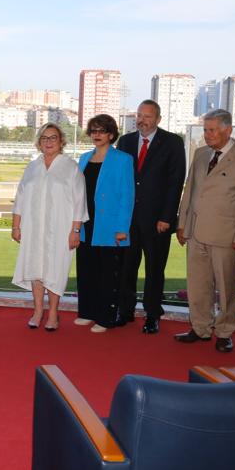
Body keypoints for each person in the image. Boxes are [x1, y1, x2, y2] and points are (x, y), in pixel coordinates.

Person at [175, 109, 235, 353]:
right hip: (195, 233)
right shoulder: (201, 154)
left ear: (228, 130)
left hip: (226, 236)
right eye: (205, 130)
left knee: (226, 288)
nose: (207, 135)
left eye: (212, 130)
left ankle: (225, 332)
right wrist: (182, 224)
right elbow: (190, 190)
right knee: (197, 286)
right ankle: (200, 328)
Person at [116, 100, 185, 334]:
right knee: (126, 268)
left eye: (147, 116)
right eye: (139, 115)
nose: (142, 120)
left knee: (154, 270)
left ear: (158, 119)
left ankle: (152, 315)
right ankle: (124, 310)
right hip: (128, 220)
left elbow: (175, 183)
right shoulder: (125, 141)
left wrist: (167, 217)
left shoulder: (173, 142)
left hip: (158, 221)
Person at [11, 123, 87, 331]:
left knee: (55, 270)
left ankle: (53, 313)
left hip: (61, 229)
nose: (48, 142)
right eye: (44, 138)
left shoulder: (70, 167)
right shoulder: (32, 167)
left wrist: (76, 230)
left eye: (53, 137)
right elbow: (20, 197)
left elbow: (80, 202)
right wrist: (16, 226)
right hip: (33, 227)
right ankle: (38, 311)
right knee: (35, 268)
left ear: (61, 141)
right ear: (39, 142)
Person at [76, 115, 134, 333]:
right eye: (93, 130)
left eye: (101, 131)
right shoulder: (84, 158)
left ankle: (106, 318)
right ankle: (87, 312)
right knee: (86, 270)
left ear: (111, 134)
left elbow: (127, 196)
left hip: (110, 226)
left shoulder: (123, 159)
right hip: (86, 224)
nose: (97, 135)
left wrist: (122, 228)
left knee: (107, 275)